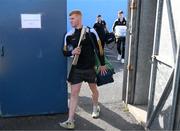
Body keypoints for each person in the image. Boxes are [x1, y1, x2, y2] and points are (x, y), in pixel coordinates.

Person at [59, 10, 107, 129]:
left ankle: (96, 107)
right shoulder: (69, 35)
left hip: (90, 68)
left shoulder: (91, 32)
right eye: (70, 19)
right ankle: (70, 120)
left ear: (79, 19)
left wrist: (102, 64)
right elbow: (64, 52)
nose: (70, 21)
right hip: (77, 69)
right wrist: (72, 52)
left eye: (73, 19)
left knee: (94, 90)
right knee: (74, 94)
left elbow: (99, 48)